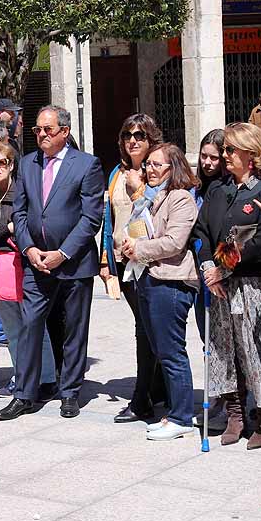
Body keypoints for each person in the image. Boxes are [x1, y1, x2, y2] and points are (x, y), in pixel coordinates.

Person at [0, 105, 105, 421]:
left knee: (73, 329)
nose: (42, 135)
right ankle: (25, 393)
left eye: (48, 130)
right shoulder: (28, 164)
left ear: (65, 132)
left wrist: (63, 253)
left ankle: (69, 391)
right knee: (30, 326)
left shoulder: (86, 165)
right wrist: (29, 250)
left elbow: (91, 216)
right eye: (37, 130)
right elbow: (19, 211)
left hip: (72, 263)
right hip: (36, 263)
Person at [193, 122, 261, 450]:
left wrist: (223, 267)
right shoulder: (218, 189)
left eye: (231, 150)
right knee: (225, 350)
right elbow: (202, 230)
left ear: (250, 152)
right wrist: (209, 266)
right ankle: (235, 413)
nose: (224, 155)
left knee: (258, 350)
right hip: (222, 286)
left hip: (257, 285)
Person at [118, 144, 200, 441]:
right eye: (148, 165)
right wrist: (129, 245)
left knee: (171, 351)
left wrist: (138, 249)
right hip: (148, 277)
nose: (149, 170)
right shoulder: (153, 198)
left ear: (172, 168)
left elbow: (174, 242)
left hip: (171, 282)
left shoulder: (180, 198)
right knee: (160, 350)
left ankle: (182, 417)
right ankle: (174, 411)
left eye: (156, 166)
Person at [101, 114, 167, 424]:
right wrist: (106, 260)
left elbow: (162, 213)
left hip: (151, 263)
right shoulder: (117, 172)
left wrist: (141, 188)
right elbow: (108, 216)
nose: (133, 140)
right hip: (124, 263)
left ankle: (142, 399)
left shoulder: (157, 171)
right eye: (128, 135)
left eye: (140, 135)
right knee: (145, 326)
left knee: (146, 329)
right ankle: (158, 387)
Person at [0, 143, 57, 397]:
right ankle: (21, 376)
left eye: (1, 163)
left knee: (35, 324)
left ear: (11, 164)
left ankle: (47, 378)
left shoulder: (23, 193)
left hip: (26, 265)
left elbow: (34, 226)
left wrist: (11, 230)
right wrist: (9, 228)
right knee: (12, 330)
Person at [191, 129, 227, 343]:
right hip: (201, 270)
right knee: (207, 336)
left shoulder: (229, 188)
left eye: (214, 158)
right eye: (204, 156)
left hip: (223, 270)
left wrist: (220, 267)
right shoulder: (195, 189)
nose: (207, 163)